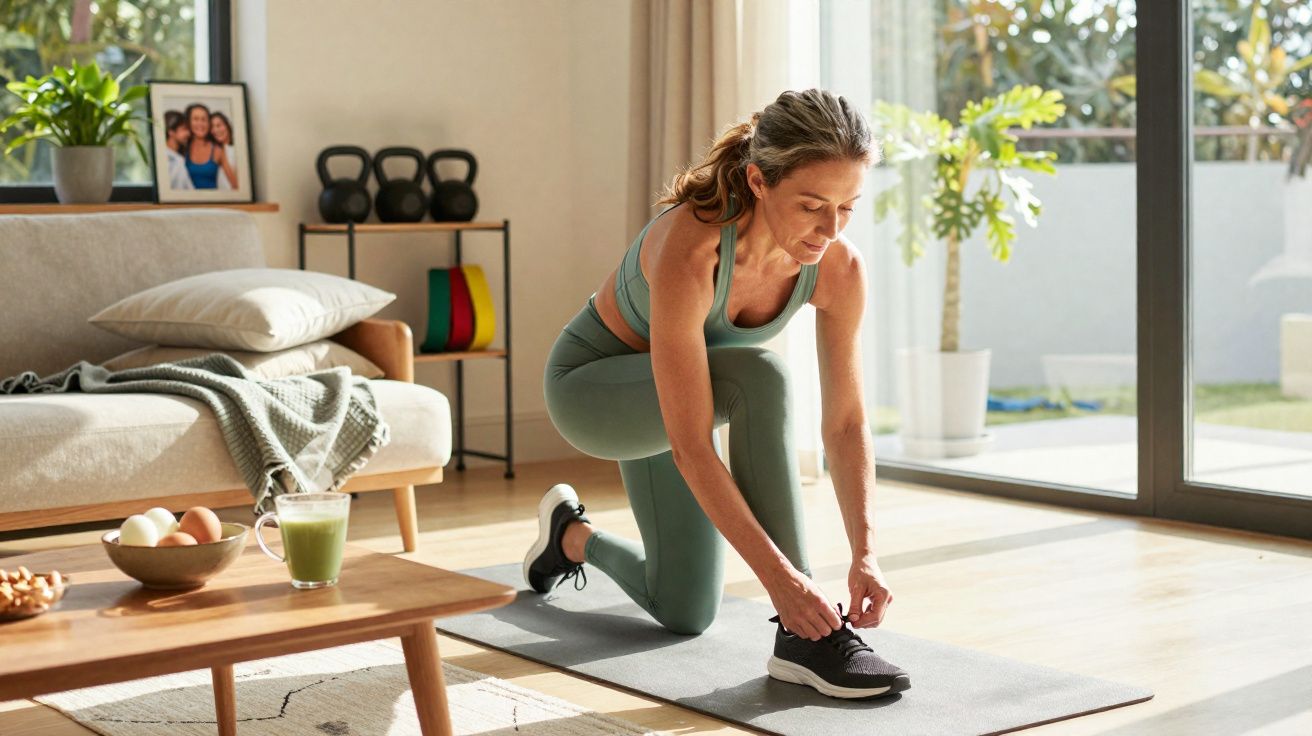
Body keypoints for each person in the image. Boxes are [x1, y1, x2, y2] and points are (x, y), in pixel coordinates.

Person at [527, 89, 910, 700]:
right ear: (758, 180)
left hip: (680, 397)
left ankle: (569, 537)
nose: (830, 228)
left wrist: (867, 553)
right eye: (812, 205)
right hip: (596, 390)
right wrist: (786, 587)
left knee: (683, 610)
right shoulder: (693, 244)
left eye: (847, 206)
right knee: (761, 375)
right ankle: (806, 641)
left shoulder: (839, 268)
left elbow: (845, 423)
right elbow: (691, 444)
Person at [183, 103, 236, 190]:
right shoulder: (183, 148)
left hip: (212, 202)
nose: (200, 123)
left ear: (208, 123)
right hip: (184, 202)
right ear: (189, 122)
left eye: (204, 119)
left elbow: (235, 185)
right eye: (195, 119)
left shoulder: (217, 149)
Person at [162, 110, 194, 191]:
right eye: (184, 129)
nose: (188, 134)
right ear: (171, 132)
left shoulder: (179, 158)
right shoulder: (172, 160)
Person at [209, 111, 239, 190]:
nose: (215, 130)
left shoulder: (238, 149)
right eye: (212, 127)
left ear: (227, 125)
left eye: (219, 125)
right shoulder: (214, 149)